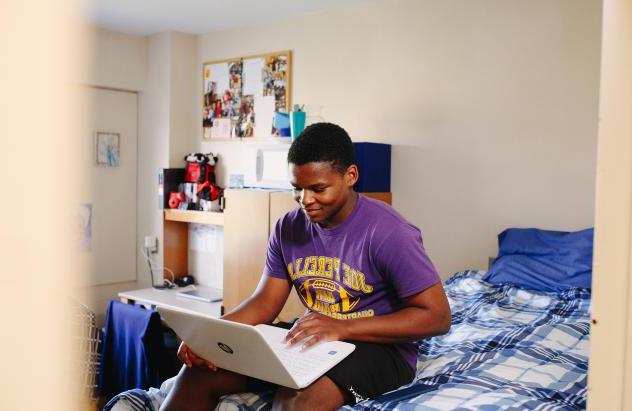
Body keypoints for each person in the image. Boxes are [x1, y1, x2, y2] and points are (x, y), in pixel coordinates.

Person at [160, 122, 451, 411]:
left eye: (318, 188)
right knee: (197, 374)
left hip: (382, 349)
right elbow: (264, 303)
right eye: (297, 188)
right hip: (316, 337)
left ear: (351, 176)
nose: (305, 200)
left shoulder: (389, 231)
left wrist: (342, 327)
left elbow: (436, 317)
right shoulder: (288, 227)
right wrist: (210, 337)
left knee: (300, 396)